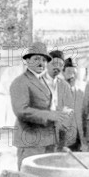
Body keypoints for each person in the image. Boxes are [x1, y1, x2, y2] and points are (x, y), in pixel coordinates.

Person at [10, 42, 70, 170]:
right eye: (36, 59)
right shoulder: (20, 82)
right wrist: (50, 115)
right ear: (27, 61)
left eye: (44, 59)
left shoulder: (41, 81)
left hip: (47, 140)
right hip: (30, 141)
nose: (41, 63)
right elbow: (21, 110)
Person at [44, 49, 74, 150]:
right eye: (54, 63)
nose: (57, 67)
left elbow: (69, 108)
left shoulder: (64, 85)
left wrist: (62, 127)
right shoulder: (37, 82)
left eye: (61, 65)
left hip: (60, 133)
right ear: (47, 63)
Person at [63, 57, 86, 151]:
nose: (72, 76)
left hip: (80, 141)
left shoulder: (81, 93)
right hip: (65, 141)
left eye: (74, 73)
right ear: (62, 73)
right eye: (69, 72)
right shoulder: (58, 93)